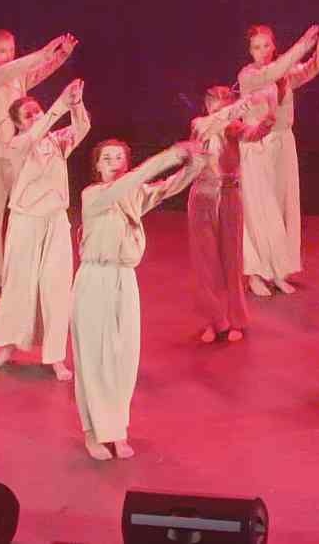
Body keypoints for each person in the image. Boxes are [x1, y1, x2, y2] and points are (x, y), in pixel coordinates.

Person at [71, 139, 205, 460]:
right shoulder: (93, 195)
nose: (114, 162)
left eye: (119, 157)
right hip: (94, 279)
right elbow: (136, 179)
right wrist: (172, 154)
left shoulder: (133, 194)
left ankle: (117, 431)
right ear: (97, 167)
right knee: (93, 360)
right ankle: (92, 432)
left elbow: (169, 187)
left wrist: (197, 162)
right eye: (107, 158)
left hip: (124, 279)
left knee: (124, 358)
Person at [0, 79, 90, 380]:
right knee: (19, 286)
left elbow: (82, 127)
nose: (35, 116)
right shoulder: (17, 146)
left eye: (36, 111)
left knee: (56, 288)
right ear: (19, 124)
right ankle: (8, 346)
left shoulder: (57, 141)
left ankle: (55, 356)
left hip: (55, 221)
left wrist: (76, 103)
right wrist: (60, 103)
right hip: (25, 222)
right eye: (27, 115)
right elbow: (33, 136)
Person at [0, 30, 77, 294]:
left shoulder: (17, 76)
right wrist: (43, 52)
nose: (8, 56)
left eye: (11, 50)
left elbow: (39, 71)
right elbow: (17, 68)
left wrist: (60, 55)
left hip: (18, 156)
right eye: (2, 51)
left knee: (25, 215)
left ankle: (21, 274)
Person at [238, 23, 319, 296]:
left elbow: (311, 68)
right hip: (257, 146)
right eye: (257, 47)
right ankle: (256, 272)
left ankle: (278, 270)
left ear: (274, 45)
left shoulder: (285, 73)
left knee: (283, 206)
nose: (263, 51)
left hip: (283, 142)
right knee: (260, 210)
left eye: (267, 45)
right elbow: (273, 72)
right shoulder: (248, 76)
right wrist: (303, 44)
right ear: (250, 51)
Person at [187, 87, 259, 343]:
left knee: (232, 260)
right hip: (202, 196)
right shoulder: (199, 125)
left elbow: (252, 133)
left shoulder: (234, 128)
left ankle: (236, 319)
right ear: (208, 107)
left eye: (225, 104)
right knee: (206, 263)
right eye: (216, 105)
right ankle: (213, 320)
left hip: (229, 195)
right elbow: (212, 125)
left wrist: (266, 121)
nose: (221, 110)